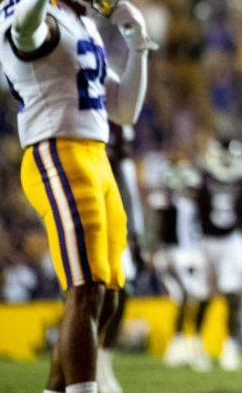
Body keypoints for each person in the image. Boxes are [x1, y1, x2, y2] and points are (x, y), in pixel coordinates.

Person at [0, 0, 155, 393]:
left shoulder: (83, 23)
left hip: (95, 156)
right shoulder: (24, 7)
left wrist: (139, 46)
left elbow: (124, 110)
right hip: (56, 150)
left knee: (103, 294)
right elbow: (25, 36)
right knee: (84, 287)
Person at [195, 138, 242, 372]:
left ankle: (230, 347)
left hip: (233, 240)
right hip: (206, 240)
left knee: (233, 294)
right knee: (203, 296)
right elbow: (193, 212)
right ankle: (198, 345)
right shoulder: (201, 177)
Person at [97, 122, 146, 393]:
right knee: (84, 295)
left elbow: (131, 194)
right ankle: (78, 368)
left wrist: (138, 236)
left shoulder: (122, 156)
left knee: (120, 293)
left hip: (117, 225)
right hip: (87, 219)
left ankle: (103, 360)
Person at [149, 157, 210, 372]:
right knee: (184, 298)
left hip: (196, 254)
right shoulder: (167, 203)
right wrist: (159, 253)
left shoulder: (198, 204)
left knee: (201, 298)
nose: (192, 190)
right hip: (176, 254)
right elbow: (160, 230)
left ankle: (194, 343)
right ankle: (177, 345)